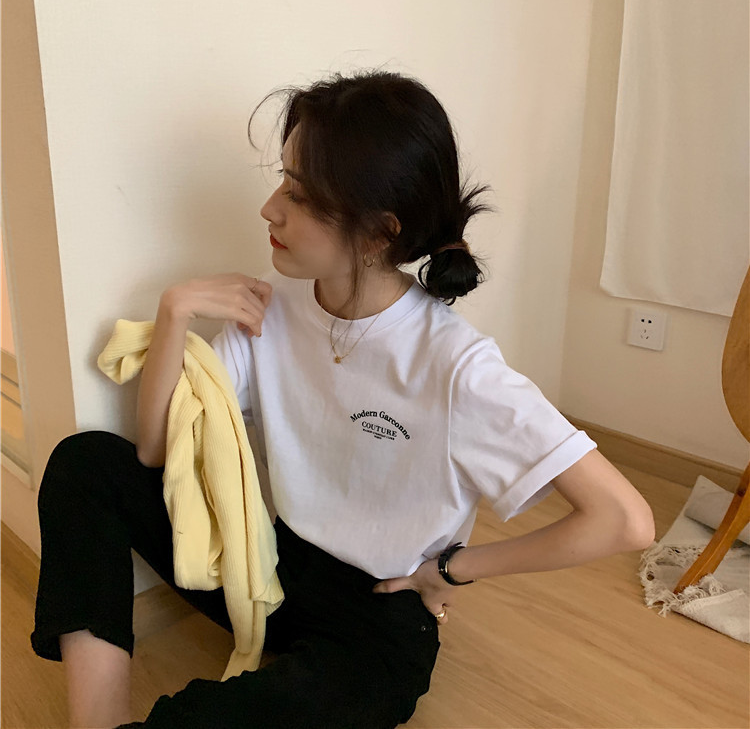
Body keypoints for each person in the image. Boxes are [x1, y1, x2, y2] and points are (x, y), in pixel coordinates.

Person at [31, 70, 655, 729]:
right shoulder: (274, 304)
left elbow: (624, 520)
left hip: (377, 614)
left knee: (274, 708)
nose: (270, 209)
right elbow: (156, 451)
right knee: (87, 463)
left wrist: (452, 570)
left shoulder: (456, 366)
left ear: (379, 232)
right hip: (267, 564)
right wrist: (175, 311)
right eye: (283, 180)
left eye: (299, 194)